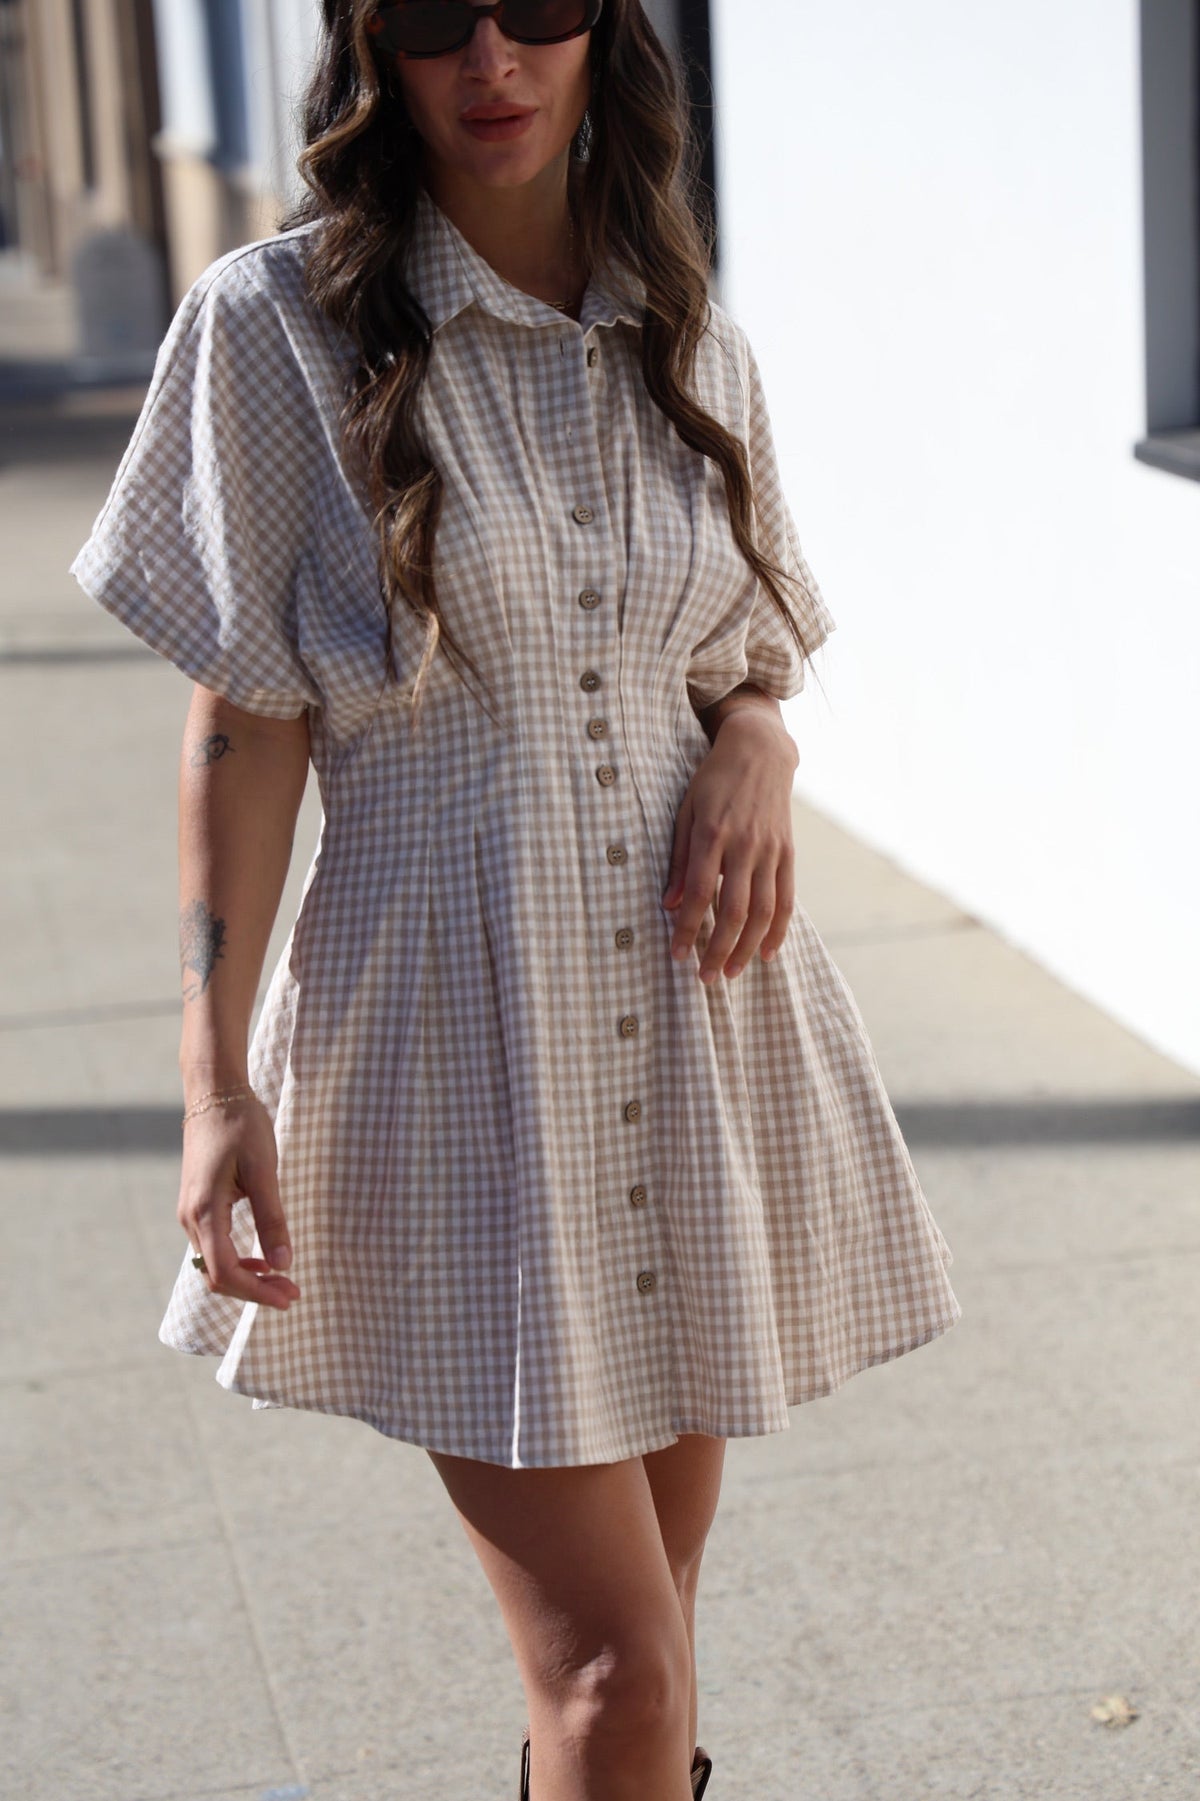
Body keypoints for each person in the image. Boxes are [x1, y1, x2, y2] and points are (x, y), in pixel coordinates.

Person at [69, 3, 962, 1797]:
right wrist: (214, 1076)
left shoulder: (684, 323)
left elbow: (752, 639)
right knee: (617, 1673)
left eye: (538, 7)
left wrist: (764, 736)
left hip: (696, 1020)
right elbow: (244, 724)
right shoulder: (276, 325)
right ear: (368, 53)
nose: (490, 58)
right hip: (457, 1044)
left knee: (656, 1634)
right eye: (428, 19)